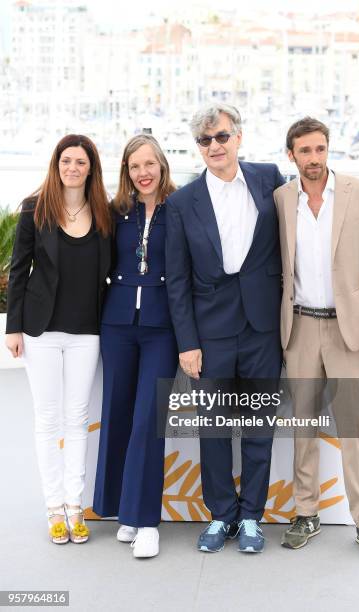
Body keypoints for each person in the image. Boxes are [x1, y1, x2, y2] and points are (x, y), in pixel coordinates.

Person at [274, 117, 359, 561]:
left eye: (320, 149)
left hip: (350, 328)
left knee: (353, 427)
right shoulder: (280, 199)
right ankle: (305, 513)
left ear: (329, 150)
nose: (313, 159)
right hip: (300, 327)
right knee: (302, 425)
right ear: (291, 155)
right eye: (304, 151)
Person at [166, 103, 284, 553]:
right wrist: (187, 343)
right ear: (198, 148)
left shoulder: (269, 178)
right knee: (213, 429)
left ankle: (252, 516)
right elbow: (176, 280)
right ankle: (221, 515)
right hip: (210, 332)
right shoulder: (181, 203)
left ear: (238, 137)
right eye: (204, 140)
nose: (214, 146)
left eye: (221, 136)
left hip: (262, 327)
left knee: (259, 425)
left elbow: (313, 211)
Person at [5, 134, 112, 544]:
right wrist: (13, 327)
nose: (72, 168)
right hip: (41, 331)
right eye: (66, 160)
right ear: (57, 163)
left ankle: (75, 506)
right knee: (48, 419)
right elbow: (19, 271)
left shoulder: (103, 211)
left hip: (87, 330)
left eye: (80, 162)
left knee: (78, 418)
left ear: (90, 168)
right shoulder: (36, 208)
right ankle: (54, 508)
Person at [93, 134, 179, 559]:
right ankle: (121, 511)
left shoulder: (179, 209)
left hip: (163, 328)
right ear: (126, 172)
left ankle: (146, 521)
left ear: (161, 164)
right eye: (133, 166)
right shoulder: (115, 213)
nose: (142, 173)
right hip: (118, 324)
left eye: (149, 164)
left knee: (148, 420)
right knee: (118, 415)